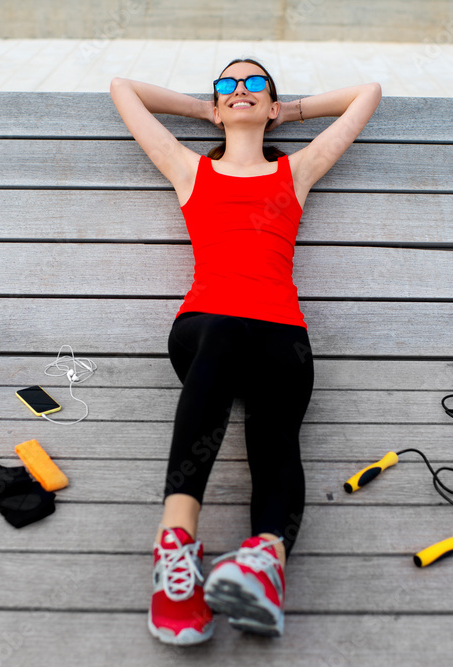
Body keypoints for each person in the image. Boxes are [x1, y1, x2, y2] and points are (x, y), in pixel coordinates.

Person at [110, 58, 381, 646]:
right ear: (214, 105)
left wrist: (289, 111)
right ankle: (175, 551)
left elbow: (367, 92)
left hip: (280, 332)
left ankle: (265, 562)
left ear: (274, 106)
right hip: (204, 330)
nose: (240, 90)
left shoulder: (297, 171)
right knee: (227, 330)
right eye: (226, 85)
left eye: (254, 84)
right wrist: (206, 109)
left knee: (276, 424)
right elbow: (123, 88)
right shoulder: (189, 170)